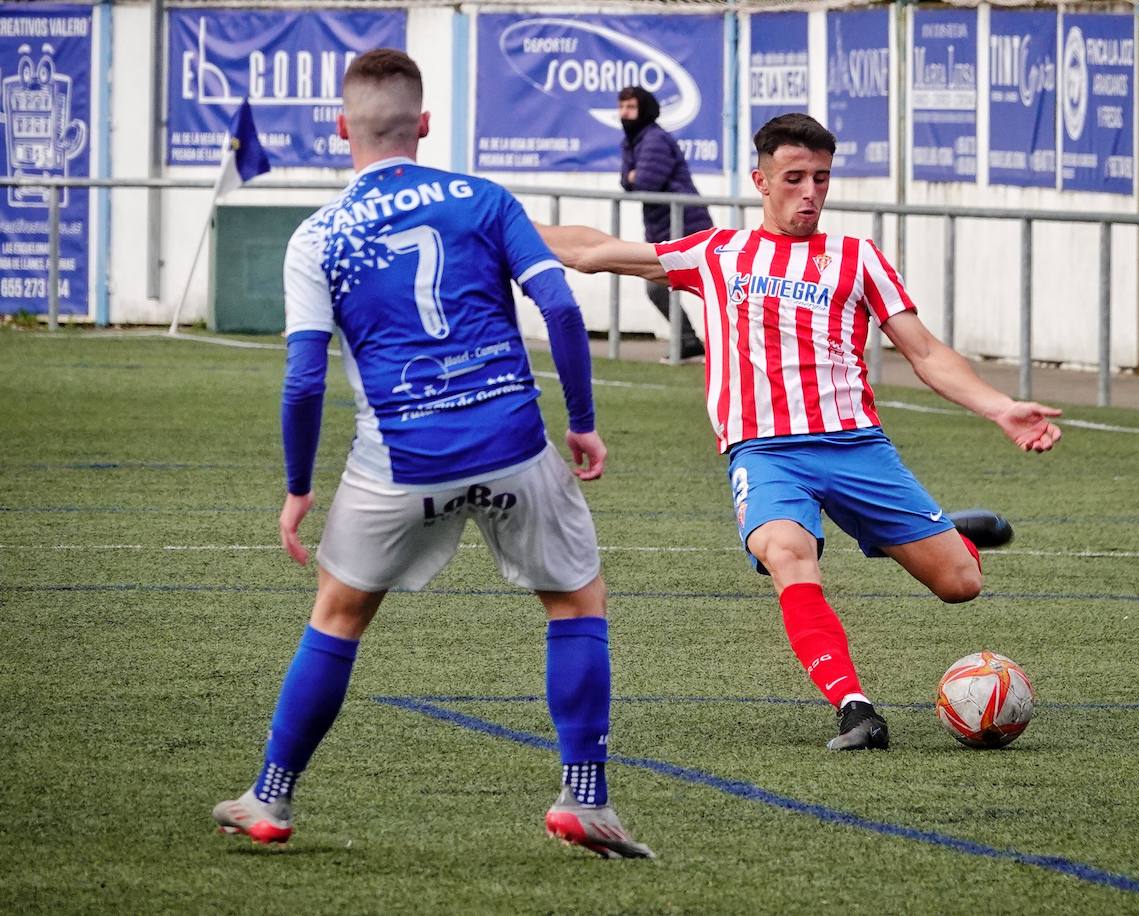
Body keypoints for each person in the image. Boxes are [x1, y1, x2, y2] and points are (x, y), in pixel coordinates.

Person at [211, 49, 653, 859]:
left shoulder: (316, 237)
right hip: (513, 441)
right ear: (423, 124)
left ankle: (271, 796)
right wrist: (581, 421)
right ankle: (584, 796)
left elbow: (305, 378)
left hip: (397, 463)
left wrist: (299, 487)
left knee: (339, 616)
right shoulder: (484, 198)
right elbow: (558, 302)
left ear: (343, 128)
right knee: (575, 602)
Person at [540, 113, 1062, 752]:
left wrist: (998, 406)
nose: (810, 192)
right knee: (788, 554)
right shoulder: (720, 252)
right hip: (763, 452)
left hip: (855, 446)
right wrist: (497, 223)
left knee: (961, 585)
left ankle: (941, 531)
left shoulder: (857, 258)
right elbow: (593, 252)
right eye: (794, 178)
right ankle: (855, 709)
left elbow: (924, 351)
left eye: (821, 178)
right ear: (761, 181)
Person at [618, 86, 709, 362]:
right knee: (659, 285)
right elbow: (625, 180)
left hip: (685, 225)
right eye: (621, 107)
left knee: (660, 285)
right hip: (665, 226)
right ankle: (688, 340)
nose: (624, 113)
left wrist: (632, 177)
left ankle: (691, 340)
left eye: (631, 107)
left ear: (643, 109)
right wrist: (630, 177)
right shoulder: (633, 140)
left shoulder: (654, 139)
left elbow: (645, 182)